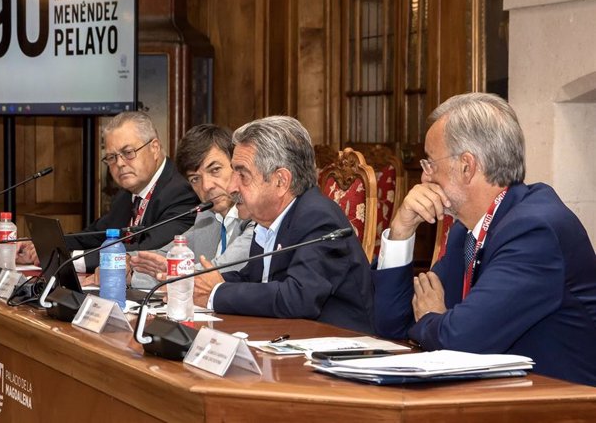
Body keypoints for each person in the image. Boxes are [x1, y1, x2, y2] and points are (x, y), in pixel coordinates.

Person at [372, 93, 596, 386]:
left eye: (430, 164)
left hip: (564, 407)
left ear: (467, 166)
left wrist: (430, 317)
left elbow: (462, 339)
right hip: (498, 398)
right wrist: (401, 231)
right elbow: (393, 325)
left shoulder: (534, 230)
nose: (424, 178)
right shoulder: (466, 232)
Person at [192, 116, 374, 333]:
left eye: (242, 175)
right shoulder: (269, 219)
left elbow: (298, 297)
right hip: (291, 338)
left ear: (281, 181)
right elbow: (254, 279)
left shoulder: (318, 219)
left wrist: (217, 292)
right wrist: (208, 281)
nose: (231, 187)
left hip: (341, 347)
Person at [17, 111, 199, 271]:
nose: (119, 163)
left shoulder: (182, 191)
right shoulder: (125, 196)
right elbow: (93, 236)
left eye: (128, 153)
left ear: (154, 148)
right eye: (111, 157)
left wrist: (66, 259)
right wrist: (46, 246)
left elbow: (146, 250)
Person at [128, 124, 254, 288]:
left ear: (236, 165)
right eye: (195, 179)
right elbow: (166, 255)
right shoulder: (207, 216)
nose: (206, 186)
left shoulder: (257, 215)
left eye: (215, 170)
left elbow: (219, 271)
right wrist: (127, 263)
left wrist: (168, 273)